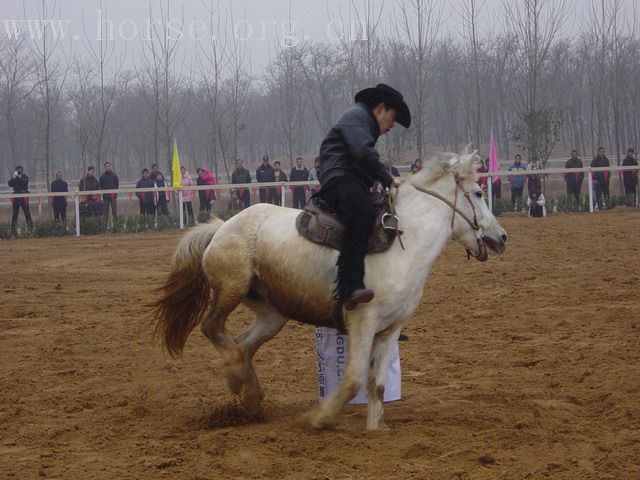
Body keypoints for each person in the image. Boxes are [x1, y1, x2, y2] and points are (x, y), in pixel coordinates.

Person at [316, 83, 411, 310]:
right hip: (339, 177)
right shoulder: (358, 117)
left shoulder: (361, 121)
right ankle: (349, 287)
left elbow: (362, 158)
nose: (391, 127)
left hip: (348, 177)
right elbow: (362, 153)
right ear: (380, 108)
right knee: (363, 213)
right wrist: (388, 179)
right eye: (392, 119)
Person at [8, 165, 33, 233]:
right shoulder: (14, 177)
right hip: (16, 197)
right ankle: (13, 230)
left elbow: (25, 183)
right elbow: (10, 184)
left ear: (22, 170)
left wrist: (20, 177)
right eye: (18, 170)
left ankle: (30, 229)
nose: (19, 171)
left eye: (20, 169)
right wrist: (13, 177)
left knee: (27, 213)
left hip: (23, 197)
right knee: (15, 214)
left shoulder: (25, 177)